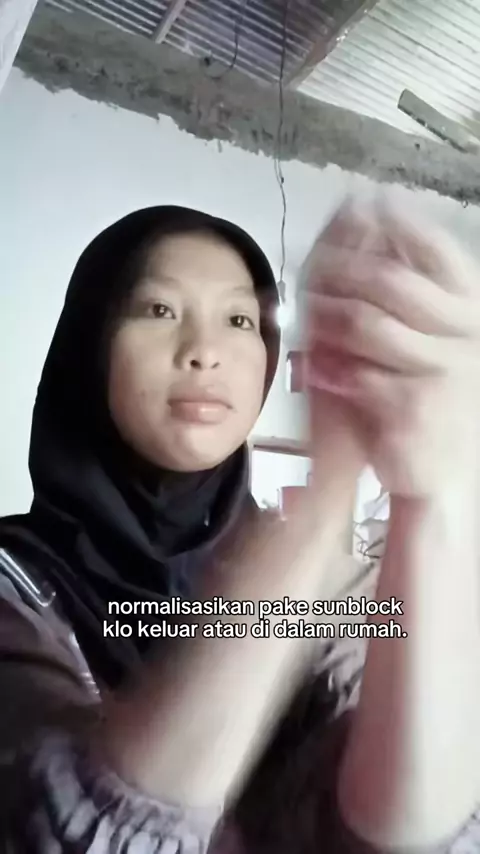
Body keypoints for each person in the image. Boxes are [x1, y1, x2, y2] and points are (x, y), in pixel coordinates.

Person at [0, 202, 478, 854]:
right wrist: (329, 485)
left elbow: (408, 828)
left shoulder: (339, 587)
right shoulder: (16, 587)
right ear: (91, 343)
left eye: (238, 320)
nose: (204, 353)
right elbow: (68, 831)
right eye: (159, 310)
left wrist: (435, 490)